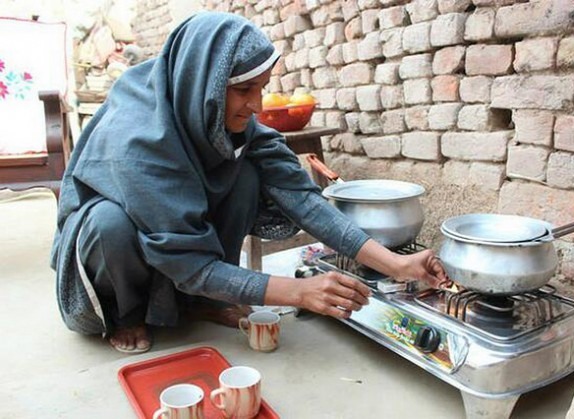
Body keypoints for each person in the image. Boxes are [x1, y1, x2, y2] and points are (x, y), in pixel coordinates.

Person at [51, 11, 447, 354]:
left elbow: (301, 196)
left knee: (246, 175)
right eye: (243, 90)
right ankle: (127, 312)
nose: (257, 106)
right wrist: (296, 292)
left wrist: (396, 264)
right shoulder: (138, 141)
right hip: (116, 251)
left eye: (261, 88)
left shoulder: (213, 113)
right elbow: (187, 262)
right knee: (110, 223)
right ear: (203, 82)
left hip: (178, 247)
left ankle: (199, 300)